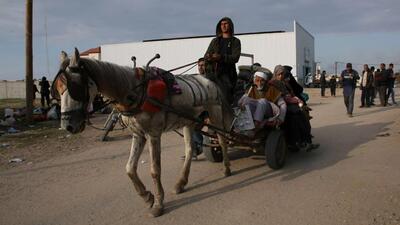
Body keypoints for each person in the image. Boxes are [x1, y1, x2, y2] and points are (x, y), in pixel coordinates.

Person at [271, 65, 319, 151]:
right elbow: (285, 97)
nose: (281, 76)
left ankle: (305, 141)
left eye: (282, 74)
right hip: (280, 105)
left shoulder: (283, 82)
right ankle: (303, 141)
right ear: (275, 74)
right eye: (279, 74)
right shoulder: (275, 83)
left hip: (286, 103)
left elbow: (291, 93)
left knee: (300, 115)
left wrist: (296, 100)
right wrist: (296, 100)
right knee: (299, 116)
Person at [204, 17, 241, 105]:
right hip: (213, 73)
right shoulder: (215, 41)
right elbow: (205, 56)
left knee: (225, 98)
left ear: (230, 26)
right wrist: (209, 57)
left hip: (228, 75)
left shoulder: (235, 41)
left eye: (226, 24)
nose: (223, 26)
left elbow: (235, 58)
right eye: (221, 24)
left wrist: (220, 57)